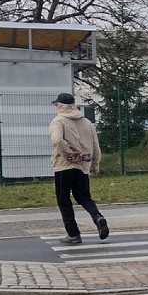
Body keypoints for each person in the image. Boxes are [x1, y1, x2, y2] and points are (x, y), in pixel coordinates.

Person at [49, 92, 109, 245]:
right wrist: (95, 165)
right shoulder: (87, 122)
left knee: (64, 200)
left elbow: (57, 140)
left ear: (61, 106)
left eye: (57, 104)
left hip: (64, 166)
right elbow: (96, 146)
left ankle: (73, 234)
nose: (56, 107)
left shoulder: (59, 121)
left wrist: (69, 154)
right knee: (84, 197)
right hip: (83, 166)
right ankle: (97, 217)